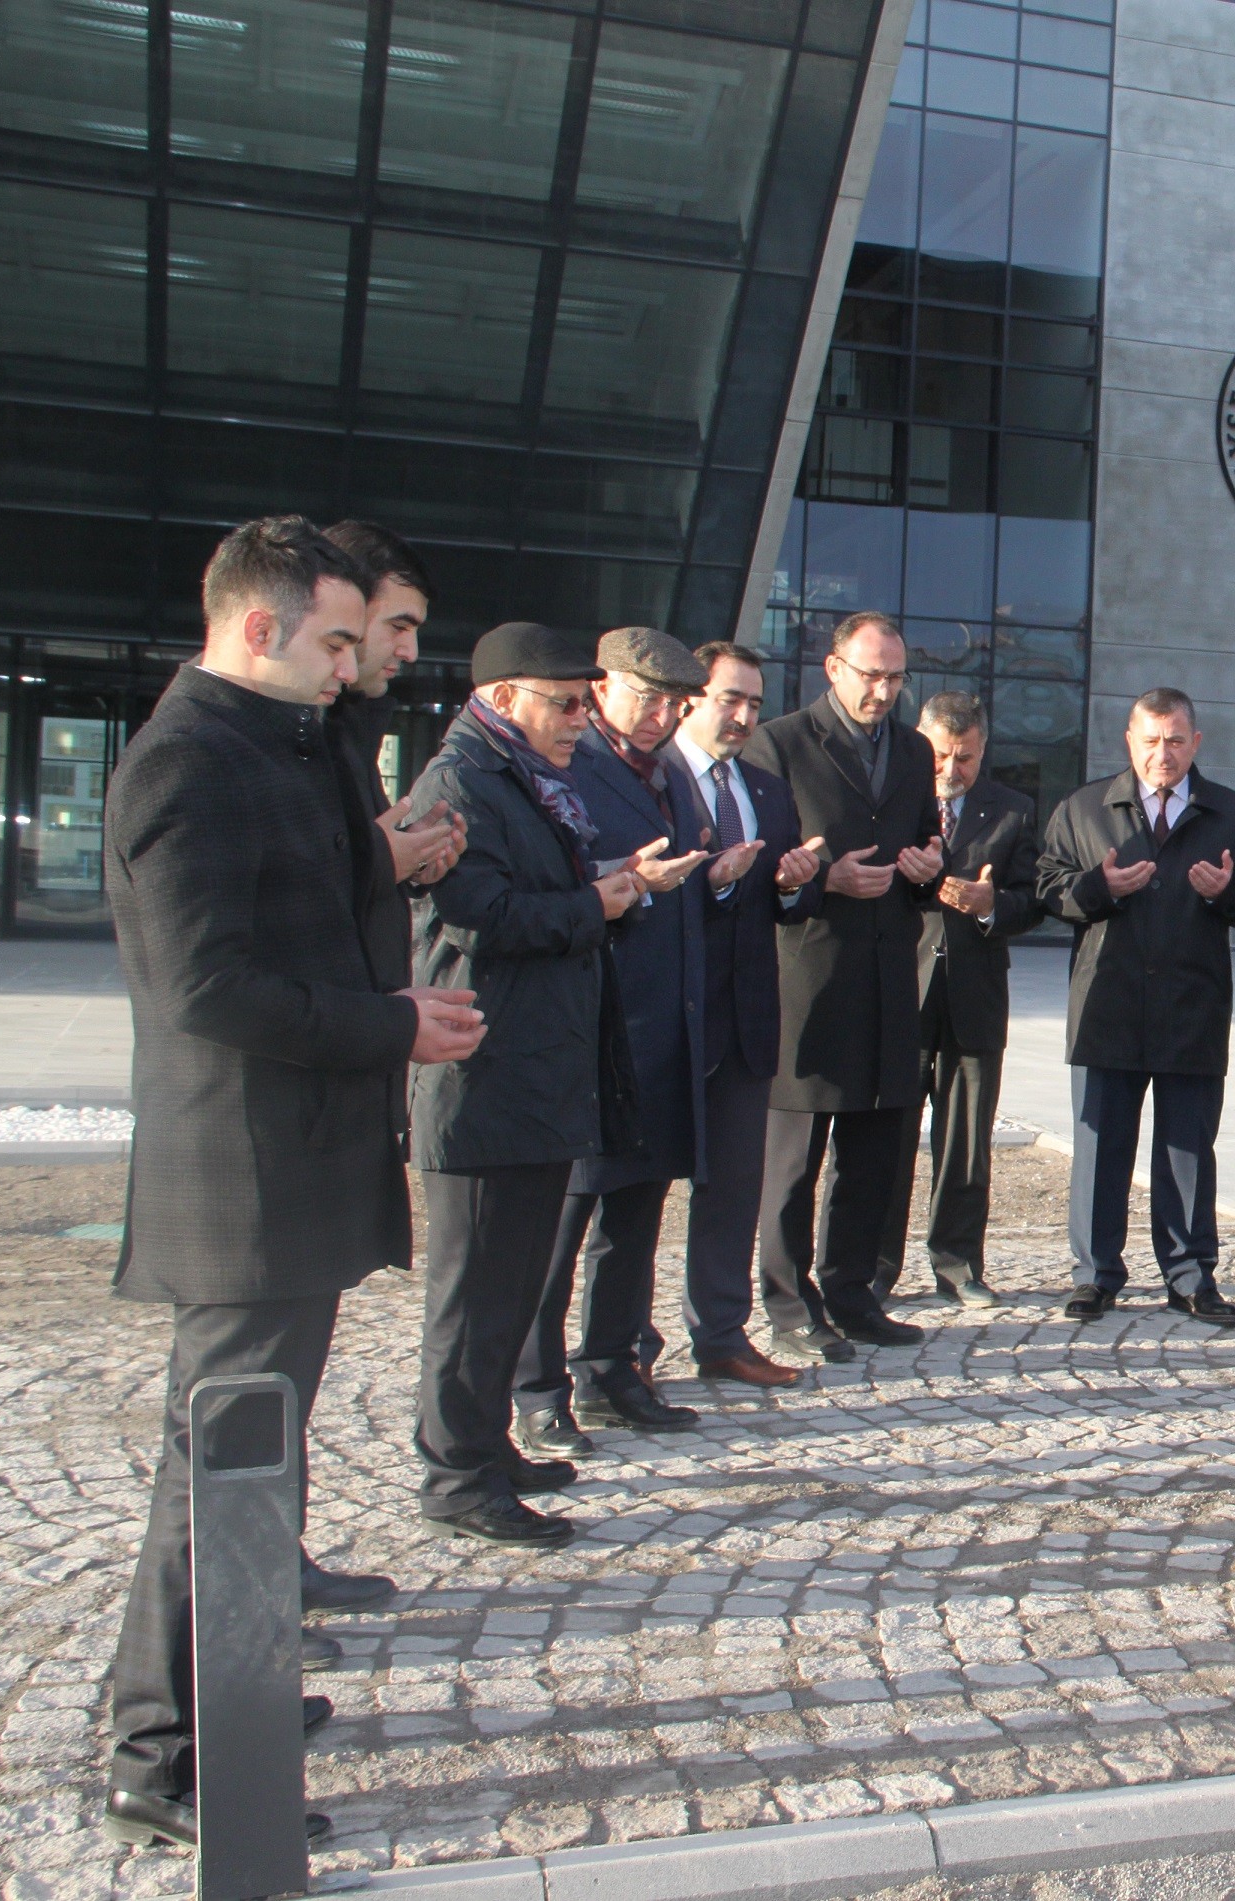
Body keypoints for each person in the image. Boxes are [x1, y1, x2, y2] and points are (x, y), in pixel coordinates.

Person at [101, 517, 484, 1850]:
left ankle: (228, 1704)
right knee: (214, 1472)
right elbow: (207, 988)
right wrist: (392, 1023)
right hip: (244, 1181)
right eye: (334, 638)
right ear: (257, 627)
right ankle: (163, 1751)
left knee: (244, 1470)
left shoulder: (274, 741)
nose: (347, 665)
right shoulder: (185, 764)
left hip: (296, 1165)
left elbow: (308, 909)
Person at [406, 622, 690, 1547]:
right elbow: (477, 916)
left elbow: (529, 890)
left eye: (583, 700)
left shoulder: (524, 776)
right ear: (500, 699)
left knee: (513, 1280)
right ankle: (457, 1475)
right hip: (483, 1072)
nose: (580, 717)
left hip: (533, 1069)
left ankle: (486, 1446)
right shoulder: (460, 781)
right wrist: (597, 902)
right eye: (563, 701)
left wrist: (611, 881)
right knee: (474, 1289)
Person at [514, 628, 720, 1454]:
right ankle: (536, 1386)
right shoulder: (568, 765)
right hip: (592, 1027)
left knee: (634, 1220)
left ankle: (613, 1368)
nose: (660, 715)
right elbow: (554, 876)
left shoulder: (670, 770)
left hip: (664, 1028)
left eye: (674, 703)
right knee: (562, 1226)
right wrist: (629, 879)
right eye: (645, 697)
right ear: (602, 689)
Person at [314, 518, 462, 1614]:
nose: (403, 651)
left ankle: (266, 1571)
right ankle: (191, 1690)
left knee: (278, 1390)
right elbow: (212, 974)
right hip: (271, 1124)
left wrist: (391, 861)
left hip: (335, 1094)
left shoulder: (325, 734)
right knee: (230, 1409)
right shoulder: (218, 748)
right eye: (392, 626)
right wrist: (387, 857)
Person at [744, 612, 948, 1362]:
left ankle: (853, 1291)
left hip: (890, 973)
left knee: (875, 1152)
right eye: (871, 675)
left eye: (895, 678)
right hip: (810, 978)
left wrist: (930, 866)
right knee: (793, 1161)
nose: (884, 691)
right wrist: (823, 878)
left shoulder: (914, 747)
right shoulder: (780, 742)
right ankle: (789, 1303)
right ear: (833, 669)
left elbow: (929, 837)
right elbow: (765, 865)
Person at [1034, 688, 1235, 1321]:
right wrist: (1098, 887)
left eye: (1174, 741)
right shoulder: (1084, 808)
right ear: (1128, 741)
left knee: (1187, 1150)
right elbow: (1047, 888)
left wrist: (1225, 895)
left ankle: (1191, 1276)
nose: (1161, 754)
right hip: (1106, 1005)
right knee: (1100, 1146)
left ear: (1196, 744)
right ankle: (1095, 1275)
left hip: (1192, 1006)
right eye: (1149, 740)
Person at [671, 643, 824, 1387]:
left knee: (734, 1185)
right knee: (626, 1201)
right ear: (688, 698)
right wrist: (714, 883)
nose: (742, 716)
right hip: (664, 1018)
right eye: (729, 698)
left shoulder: (766, 789)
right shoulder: (654, 778)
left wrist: (796, 883)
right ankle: (615, 1351)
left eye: (754, 703)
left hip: (746, 1019)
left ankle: (723, 1334)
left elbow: (787, 903)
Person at [900, 691, 1041, 1307]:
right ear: (919, 741)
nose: (951, 770)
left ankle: (958, 1264)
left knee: (965, 1142)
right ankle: (870, 1269)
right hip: (899, 993)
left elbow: (1035, 897)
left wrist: (993, 907)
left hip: (975, 999)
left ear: (983, 750)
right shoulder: (893, 803)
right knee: (885, 1139)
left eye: (966, 757)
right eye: (940, 755)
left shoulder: (1013, 810)